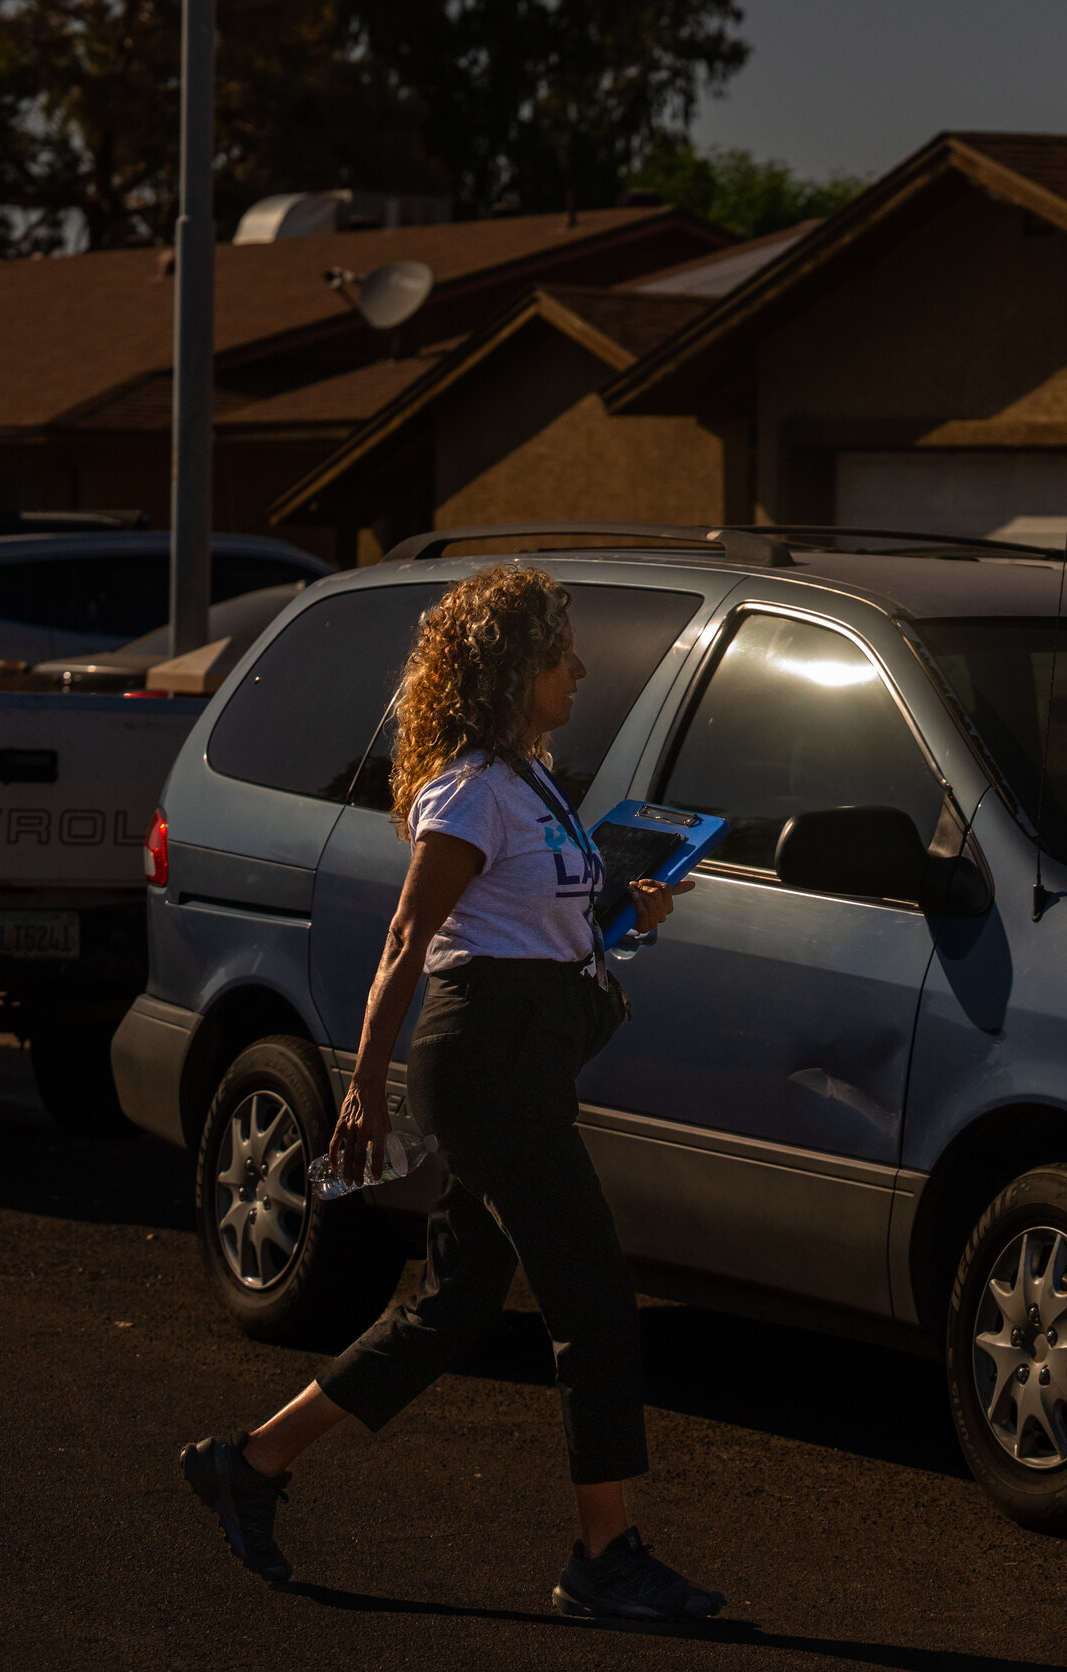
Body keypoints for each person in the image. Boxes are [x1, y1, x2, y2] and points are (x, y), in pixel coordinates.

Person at [180, 564, 722, 1622]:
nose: (577, 668)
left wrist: (628, 909)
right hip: (487, 1060)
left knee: (453, 1303)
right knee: (594, 1293)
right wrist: (365, 1088)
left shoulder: (531, 782)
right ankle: (604, 1556)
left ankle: (249, 1463)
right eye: (560, 652)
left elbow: (544, 919)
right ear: (515, 668)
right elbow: (409, 938)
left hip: (527, 1051)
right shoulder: (472, 787)